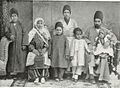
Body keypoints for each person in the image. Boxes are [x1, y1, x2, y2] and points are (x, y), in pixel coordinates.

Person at [84, 11, 117, 83]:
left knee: (104, 57)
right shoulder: (89, 29)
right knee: (90, 55)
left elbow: (114, 38)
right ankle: (91, 75)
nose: (97, 23)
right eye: (95, 21)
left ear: (101, 22)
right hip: (92, 49)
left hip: (101, 50)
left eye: (98, 21)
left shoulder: (105, 30)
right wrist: (89, 43)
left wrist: (108, 42)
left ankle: (103, 76)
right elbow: (84, 37)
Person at [5, 8, 27, 79]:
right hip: (12, 45)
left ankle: (20, 73)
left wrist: (24, 44)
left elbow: (25, 34)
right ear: (10, 17)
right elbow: (6, 32)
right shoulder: (8, 25)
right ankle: (10, 72)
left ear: (17, 16)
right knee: (11, 58)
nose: (13, 17)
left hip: (20, 45)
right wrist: (10, 35)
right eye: (12, 16)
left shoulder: (21, 24)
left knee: (20, 58)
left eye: (15, 16)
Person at [27, 17, 51, 83]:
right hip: (35, 50)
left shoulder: (45, 32)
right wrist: (33, 50)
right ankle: (36, 77)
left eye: (41, 23)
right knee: (32, 57)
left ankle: (43, 76)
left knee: (45, 58)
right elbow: (30, 43)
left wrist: (44, 49)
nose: (40, 25)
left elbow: (48, 43)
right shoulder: (32, 32)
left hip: (43, 50)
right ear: (35, 24)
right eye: (38, 23)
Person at [59, 4, 78, 78]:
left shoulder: (73, 22)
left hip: (72, 39)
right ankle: (65, 71)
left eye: (68, 12)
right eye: (65, 12)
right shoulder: (60, 21)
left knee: (71, 54)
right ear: (63, 13)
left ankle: (71, 71)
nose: (66, 14)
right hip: (63, 39)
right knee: (64, 54)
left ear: (70, 13)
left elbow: (77, 31)